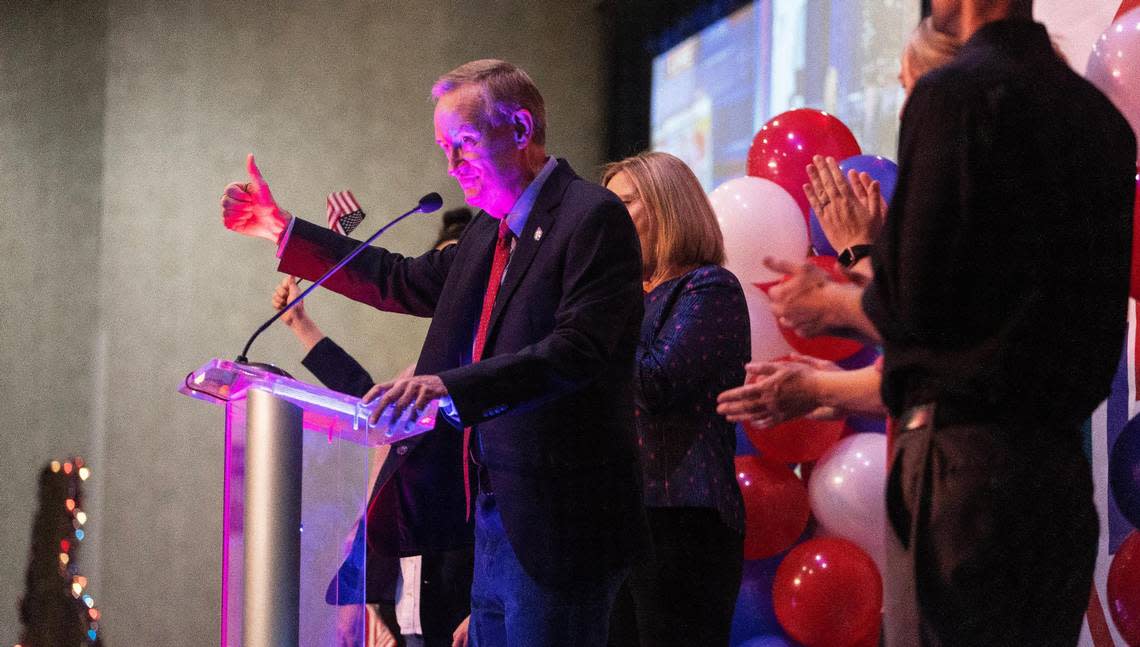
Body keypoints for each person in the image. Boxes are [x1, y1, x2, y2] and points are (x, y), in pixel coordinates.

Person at [222, 59, 648, 647]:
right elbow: (397, 279)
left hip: (562, 523)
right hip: (491, 521)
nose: (451, 166)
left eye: (465, 143)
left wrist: (448, 386)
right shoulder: (485, 234)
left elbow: (577, 351)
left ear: (521, 130)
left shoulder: (591, 218)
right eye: (443, 147)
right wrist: (281, 230)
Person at [861, 0, 1135, 645]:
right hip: (1061, 476)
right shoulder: (1101, 121)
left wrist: (845, 294)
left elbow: (917, 306)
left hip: (967, 472)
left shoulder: (953, 96)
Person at [717, 17, 964, 430]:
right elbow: (917, 366)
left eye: (910, 87)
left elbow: (942, 347)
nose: (905, 111)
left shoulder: (972, 202)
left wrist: (857, 253)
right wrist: (828, 385)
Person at [271, 207, 475, 647]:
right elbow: (367, 401)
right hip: (407, 593)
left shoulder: (490, 379)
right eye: (437, 273)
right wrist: (303, 327)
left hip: (465, 596)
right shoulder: (415, 373)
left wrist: (485, 603)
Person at [599, 152, 747, 647]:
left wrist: (607, 301)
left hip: (682, 522)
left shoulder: (708, 287)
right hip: (620, 520)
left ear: (667, 208)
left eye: (623, 204)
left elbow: (653, 386)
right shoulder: (631, 299)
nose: (608, 220)